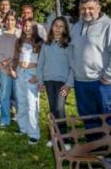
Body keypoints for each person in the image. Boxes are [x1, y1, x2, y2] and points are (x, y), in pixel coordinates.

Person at [70, 0, 111, 166]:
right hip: (81, 82)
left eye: (90, 8)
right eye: (83, 8)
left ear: (98, 8)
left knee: (110, 118)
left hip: (103, 84)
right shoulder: (77, 27)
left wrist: (108, 76)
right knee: (90, 119)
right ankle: (97, 152)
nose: (86, 11)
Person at [36, 16, 73, 149]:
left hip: (62, 82)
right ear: (51, 27)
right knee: (53, 109)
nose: (57, 28)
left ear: (65, 29)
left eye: (61, 26)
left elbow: (72, 66)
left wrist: (69, 84)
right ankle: (53, 137)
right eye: (55, 25)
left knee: (60, 109)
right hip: (48, 80)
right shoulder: (46, 45)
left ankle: (66, 140)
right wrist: (40, 81)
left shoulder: (68, 45)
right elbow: (40, 64)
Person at [10, 18, 44, 145]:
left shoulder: (40, 42)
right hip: (20, 72)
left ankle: (34, 133)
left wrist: (39, 76)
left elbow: (43, 61)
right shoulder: (19, 41)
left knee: (32, 104)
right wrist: (13, 69)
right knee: (21, 102)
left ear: (34, 28)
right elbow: (15, 57)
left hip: (32, 74)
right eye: (25, 26)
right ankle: (23, 128)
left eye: (30, 26)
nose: (27, 28)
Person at [0, 11, 20, 129]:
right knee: (4, 95)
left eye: (12, 20)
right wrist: (6, 65)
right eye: (8, 20)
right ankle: (5, 120)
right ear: (5, 21)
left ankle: (21, 119)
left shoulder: (20, 36)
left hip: (18, 69)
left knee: (19, 95)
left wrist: (11, 65)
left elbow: (19, 53)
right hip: (4, 70)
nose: (10, 22)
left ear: (16, 21)